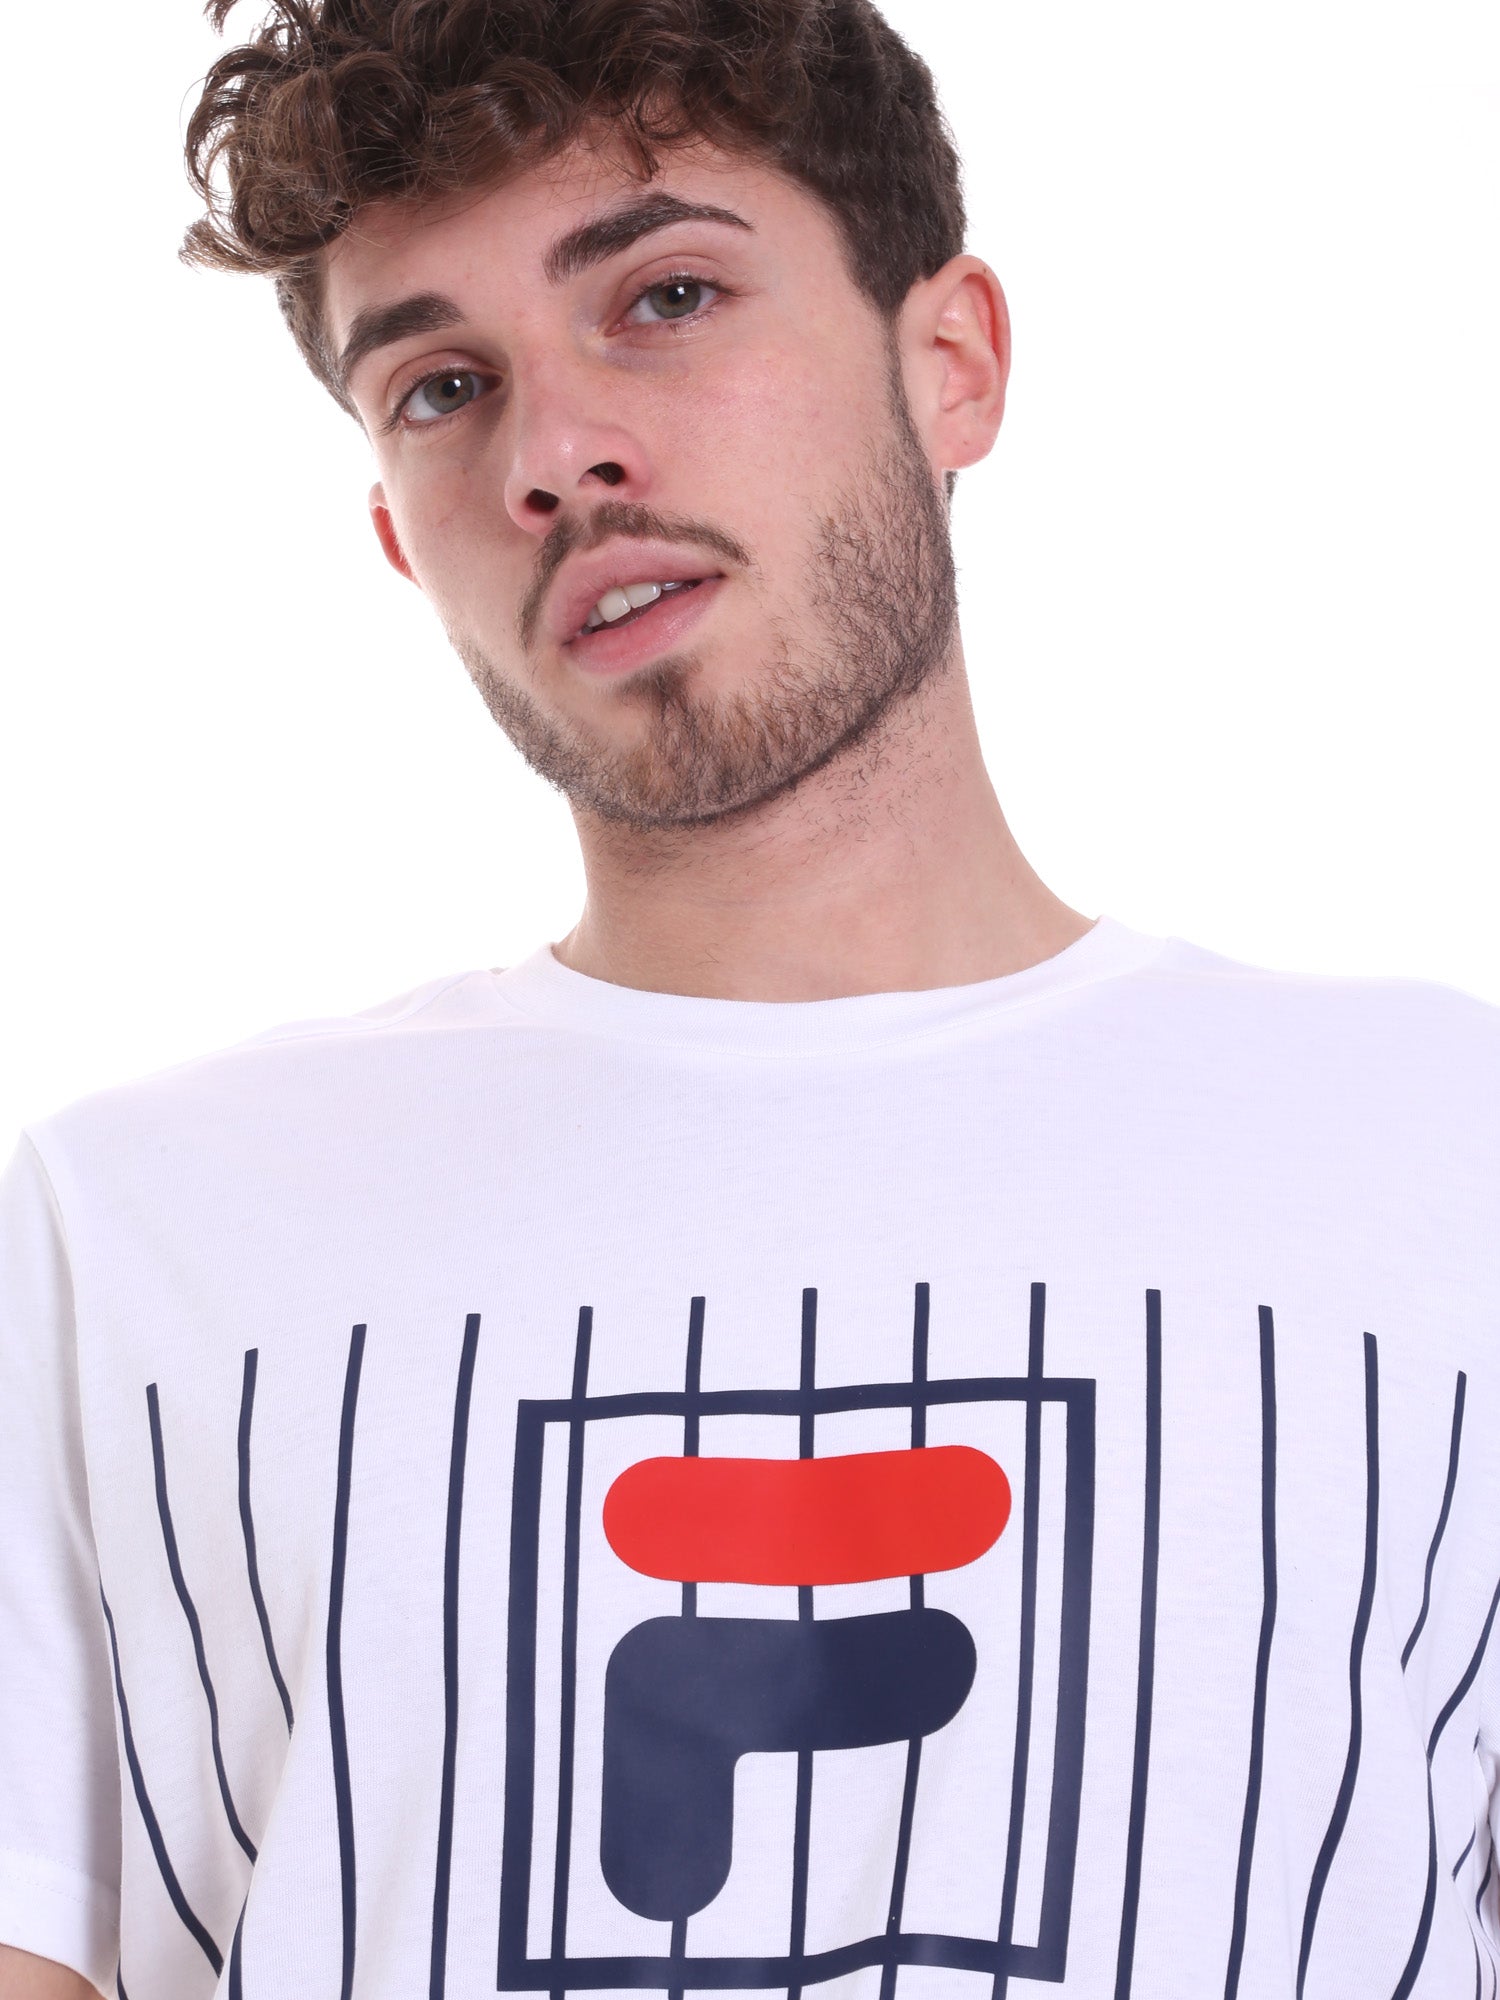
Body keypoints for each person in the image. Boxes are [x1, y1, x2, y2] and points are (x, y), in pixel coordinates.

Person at [1, 0, 1497, 1994]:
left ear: (951, 360)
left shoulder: (1447, 1158)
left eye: (667, 297)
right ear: (395, 540)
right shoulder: (123, 1233)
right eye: (442, 388)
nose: (555, 456)